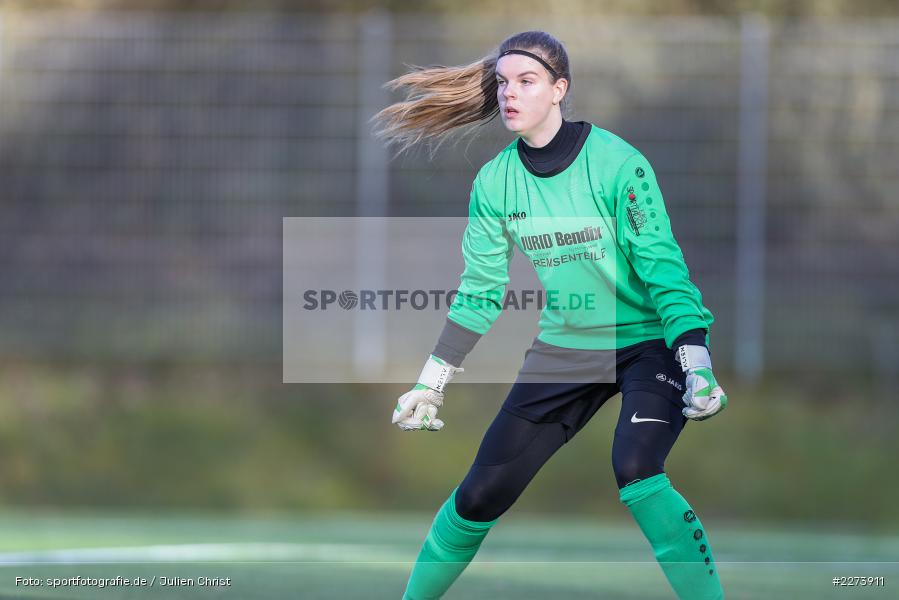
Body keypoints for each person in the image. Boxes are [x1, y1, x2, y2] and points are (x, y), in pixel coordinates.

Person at [374, 30, 728, 600]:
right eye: (503, 82)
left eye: (527, 81)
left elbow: (665, 270)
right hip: (567, 349)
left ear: (559, 90)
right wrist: (430, 383)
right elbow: (480, 291)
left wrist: (697, 361)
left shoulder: (617, 164)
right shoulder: (494, 183)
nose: (509, 94)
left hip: (650, 344)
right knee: (477, 497)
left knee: (636, 466)